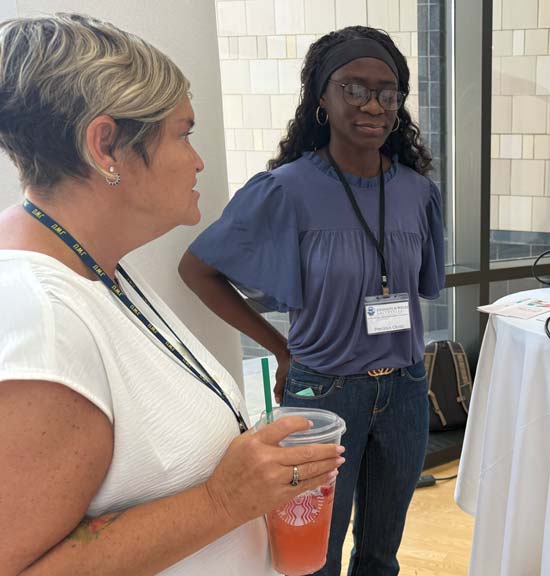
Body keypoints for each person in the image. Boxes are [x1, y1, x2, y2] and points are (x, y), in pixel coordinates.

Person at [0, 14, 344, 576]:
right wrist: (223, 502)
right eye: (183, 134)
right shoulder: (40, 317)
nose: (199, 160)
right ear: (105, 145)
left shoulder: (95, 266)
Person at [179, 26, 444, 576]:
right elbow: (198, 270)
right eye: (353, 88)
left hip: (406, 390)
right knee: (312, 557)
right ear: (321, 97)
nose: (373, 104)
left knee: (381, 554)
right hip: (324, 394)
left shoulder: (419, 192)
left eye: (387, 92)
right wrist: (279, 348)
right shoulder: (287, 190)